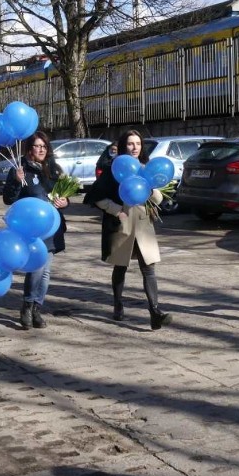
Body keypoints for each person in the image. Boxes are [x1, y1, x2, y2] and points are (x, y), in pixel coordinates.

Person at [90, 129, 172, 330]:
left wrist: (151, 189)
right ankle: (118, 304)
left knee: (149, 268)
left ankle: (155, 312)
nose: (135, 147)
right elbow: (97, 197)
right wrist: (117, 210)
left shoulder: (147, 168)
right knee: (121, 266)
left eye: (138, 143)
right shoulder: (114, 169)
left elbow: (159, 199)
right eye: (130, 144)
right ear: (123, 146)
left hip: (144, 224)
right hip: (122, 224)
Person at [2, 131, 69, 330]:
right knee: (37, 268)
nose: (40, 150)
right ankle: (27, 305)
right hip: (32, 228)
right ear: (29, 148)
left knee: (46, 272)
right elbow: (9, 199)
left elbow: (63, 194)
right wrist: (15, 180)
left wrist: (65, 201)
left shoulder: (53, 169)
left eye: (43, 146)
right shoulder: (20, 170)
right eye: (36, 146)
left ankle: (37, 308)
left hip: (52, 226)